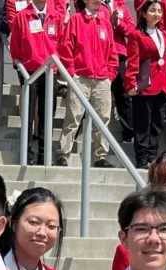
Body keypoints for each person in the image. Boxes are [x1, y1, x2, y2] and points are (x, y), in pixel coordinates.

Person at [57, 0, 118, 168]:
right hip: (80, 77)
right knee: (73, 116)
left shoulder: (105, 23)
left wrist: (110, 75)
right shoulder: (76, 20)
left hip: (102, 78)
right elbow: (66, 46)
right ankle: (63, 153)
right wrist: (71, 72)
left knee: (103, 119)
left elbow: (112, 51)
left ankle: (100, 156)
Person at [9, 0, 66, 164]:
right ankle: (27, 153)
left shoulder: (55, 16)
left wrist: (57, 67)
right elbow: (15, 46)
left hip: (50, 71)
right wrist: (20, 67)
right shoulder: (22, 16)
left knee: (47, 114)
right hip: (29, 71)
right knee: (28, 113)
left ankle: (43, 154)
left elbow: (61, 43)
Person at [126, 1, 166, 168]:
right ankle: (142, 157)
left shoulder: (164, 35)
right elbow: (133, 61)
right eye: (152, 11)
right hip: (144, 86)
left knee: (157, 123)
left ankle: (152, 155)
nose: (157, 14)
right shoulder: (137, 35)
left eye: (159, 11)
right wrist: (131, 83)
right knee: (143, 122)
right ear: (143, 14)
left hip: (162, 85)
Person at [105, 0, 138, 145]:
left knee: (122, 93)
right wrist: (108, 22)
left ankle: (129, 132)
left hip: (118, 53)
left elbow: (132, 31)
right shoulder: (95, 5)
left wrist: (117, 23)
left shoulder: (122, 7)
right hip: (98, 52)